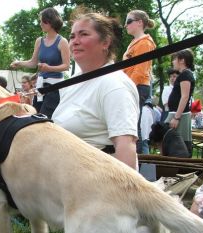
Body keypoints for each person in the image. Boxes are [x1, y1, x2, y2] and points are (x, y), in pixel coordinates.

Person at [52, 9, 139, 169]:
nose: (75, 41)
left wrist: (122, 194)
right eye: (72, 36)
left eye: (83, 34)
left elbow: (126, 145)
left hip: (95, 185)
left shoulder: (114, 85)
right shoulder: (72, 83)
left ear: (105, 42)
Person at [10, 7, 70, 118]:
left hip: (55, 87)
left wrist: (49, 68)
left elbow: (66, 66)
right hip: (40, 86)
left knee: (44, 117)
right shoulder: (39, 41)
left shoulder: (62, 42)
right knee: (35, 115)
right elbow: (33, 63)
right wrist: (19, 63)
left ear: (50, 21)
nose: (40, 23)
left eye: (42, 21)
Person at [123, 10, 156, 154]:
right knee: (132, 125)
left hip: (136, 87)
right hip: (132, 86)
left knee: (133, 127)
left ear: (139, 23)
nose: (126, 25)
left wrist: (126, 88)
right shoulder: (135, 42)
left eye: (129, 21)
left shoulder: (145, 43)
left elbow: (140, 71)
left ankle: (138, 162)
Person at [167, 49, 195, 156]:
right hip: (176, 114)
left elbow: (184, 97)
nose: (173, 62)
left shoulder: (185, 75)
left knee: (180, 145)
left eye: (174, 59)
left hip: (179, 116)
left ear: (182, 60)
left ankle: (181, 169)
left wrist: (176, 118)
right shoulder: (184, 74)